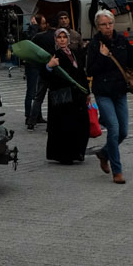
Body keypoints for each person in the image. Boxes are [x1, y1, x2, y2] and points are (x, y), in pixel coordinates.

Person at [85, 9, 133, 184]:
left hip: (120, 91)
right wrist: (102, 57)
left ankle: (104, 153)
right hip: (103, 92)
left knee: (123, 131)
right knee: (114, 130)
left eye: (110, 23)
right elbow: (90, 70)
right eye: (103, 25)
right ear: (97, 26)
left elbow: (132, 63)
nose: (107, 27)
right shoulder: (94, 44)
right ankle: (117, 170)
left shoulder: (122, 41)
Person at [40, 27, 91, 164]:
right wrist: (49, 66)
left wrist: (87, 92)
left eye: (64, 37)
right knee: (64, 126)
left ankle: (77, 152)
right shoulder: (52, 54)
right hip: (62, 96)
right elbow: (44, 75)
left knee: (80, 124)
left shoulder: (74, 53)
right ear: (55, 39)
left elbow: (81, 74)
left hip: (77, 95)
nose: (62, 40)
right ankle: (64, 155)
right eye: (59, 37)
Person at [26, 14, 55, 129]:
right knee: (45, 95)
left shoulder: (39, 36)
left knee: (38, 96)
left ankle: (32, 120)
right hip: (49, 69)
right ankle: (36, 118)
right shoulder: (56, 37)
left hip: (42, 69)